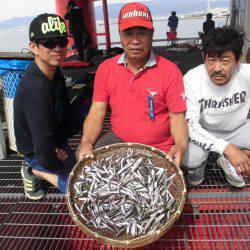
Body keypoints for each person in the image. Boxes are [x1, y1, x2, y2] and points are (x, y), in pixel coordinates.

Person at [76, 2, 188, 167]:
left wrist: (180, 146)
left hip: (160, 146)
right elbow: (97, 111)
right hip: (118, 139)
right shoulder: (105, 69)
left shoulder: (170, 71)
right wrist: (86, 142)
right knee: (84, 158)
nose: (135, 40)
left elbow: (177, 118)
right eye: (128, 33)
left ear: (152, 34)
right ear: (120, 35)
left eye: (142, 33)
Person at [14, 13, 90, 200]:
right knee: (79, 189)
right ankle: (34, 170)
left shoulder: (54, 70)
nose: (57, 48)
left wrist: (85, 140)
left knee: (94, 105)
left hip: (53, 130)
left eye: (61, 41)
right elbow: (43, 148)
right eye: (49, 43)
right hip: (36, 150)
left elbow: (64, 106)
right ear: (34, 47)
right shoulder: (36, 89)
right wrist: (55, 161)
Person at [182, 27, 250, 188]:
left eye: (225, 61)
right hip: (204, 131)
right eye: (211, 60)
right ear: (203, 57)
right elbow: (190, 125)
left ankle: (228, 161)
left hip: (238, 129)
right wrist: (226, 148)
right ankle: (198, 172)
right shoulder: (192, 79)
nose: (217, 68)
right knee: (190, 161)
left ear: (238, 60)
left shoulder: (246, 73)